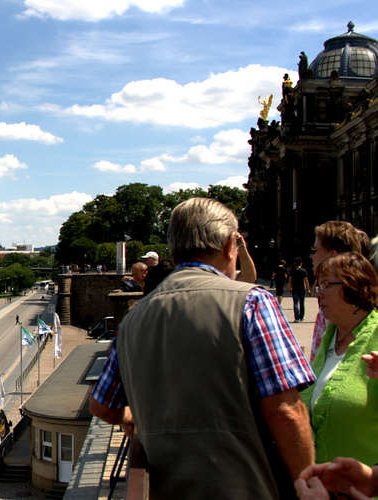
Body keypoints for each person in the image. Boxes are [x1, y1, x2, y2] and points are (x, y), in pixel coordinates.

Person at [87, 197, 315, 498]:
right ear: (230, 245)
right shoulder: (252, 301)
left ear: (174, 250)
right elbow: (285, 411)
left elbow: (102, 406)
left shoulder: (132, 320)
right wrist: (307, 483)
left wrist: (130, 417)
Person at [305, 252, 378, 465]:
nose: (318, 294)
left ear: (353, 285)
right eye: (319, 285)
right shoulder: (331, 334)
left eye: (327, 285)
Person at [309, 222, 373, 358]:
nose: (311, 256)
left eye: (315, 251)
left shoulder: (371, 322)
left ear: (333, 255)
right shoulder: (326, 312)